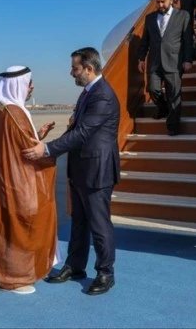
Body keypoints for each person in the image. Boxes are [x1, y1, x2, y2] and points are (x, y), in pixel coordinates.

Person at [22, 47, 120, 296]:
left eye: (74, 68)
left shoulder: (103, 95)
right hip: (80, 168)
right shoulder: (88, 93)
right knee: (79, 221)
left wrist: (47, 149)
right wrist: (48, 144)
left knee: (99, 223)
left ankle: (105, 273)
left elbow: (83, 133)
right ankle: (75, 266)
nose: (71, 73)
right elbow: (76, 129)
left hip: (97, 170)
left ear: (88, 68)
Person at [0, 65, 61, 295]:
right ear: (18, 85)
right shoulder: (13, 113)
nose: (32, 87)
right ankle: (15, 278)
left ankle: (10, 272)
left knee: (7, 227)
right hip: (18, 181)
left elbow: (18, 143)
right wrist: (48, 150)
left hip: (6, 179)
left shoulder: (1, 110)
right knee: (19, 226)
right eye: (29, 83)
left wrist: (38, 135)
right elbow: (28, 151)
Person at [137, 0, 194, 136]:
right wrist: (141, 58)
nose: (160, 5)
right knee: (153, 89)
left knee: (173, 95)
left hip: (174, 61)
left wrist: (188, 59)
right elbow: (145, 40)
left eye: (163, 1)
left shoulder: (183, 15)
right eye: (158, 2)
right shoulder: (150, 18)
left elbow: (188, 40)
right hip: (154, 61)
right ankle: (163, 109)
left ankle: (173, 126)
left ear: (170, 0)